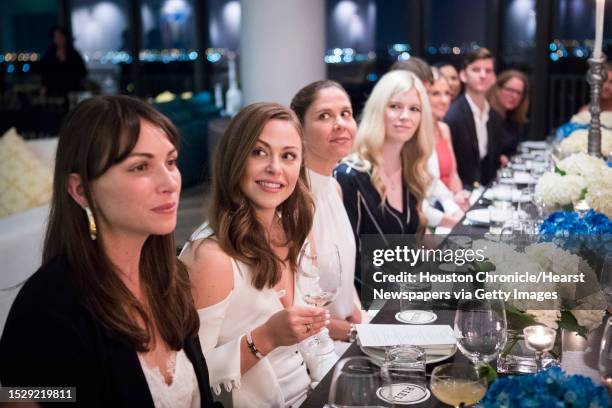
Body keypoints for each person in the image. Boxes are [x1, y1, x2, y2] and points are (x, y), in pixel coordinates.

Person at [0, 96, 215, 407]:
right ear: (81, 190)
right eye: (140, 167)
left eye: (170, 162)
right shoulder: (48, 307)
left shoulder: (171, 276)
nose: (170, 182)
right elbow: (19, 395)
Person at [179, 103, 328, 407]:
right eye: (259, 152)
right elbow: (188, 381)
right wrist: (266, 337)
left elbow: (315, 340)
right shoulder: (210, 257)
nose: (275, 167)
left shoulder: (298, 233)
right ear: (234, 159)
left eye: (288, 156)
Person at [335, 70, 432, 292]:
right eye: (395, 106)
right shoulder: (348, 177)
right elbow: (348, 267)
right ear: (379, 110)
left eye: (414, 109)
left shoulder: (412, 171)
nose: (405, 116)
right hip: (371, 308)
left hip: (409, 299)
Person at [290, 80, 363, 347]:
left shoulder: (334, 187)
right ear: (300, 130)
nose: (340, 123)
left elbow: (343, 276)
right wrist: (353, 333)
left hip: (348, 331)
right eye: (324, 116)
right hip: (315, 346)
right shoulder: (295, 202)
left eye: (346, 113)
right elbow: (294, 305)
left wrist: (356, 313)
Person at [391, 58, 465, 227]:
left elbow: (430, 181)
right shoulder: (397, 138)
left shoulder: (419, 133)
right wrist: (450, 221)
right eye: (433, 94)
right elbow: (410, 203)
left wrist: (453, 209)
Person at [444, 47, 503, 187]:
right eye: (476, 70)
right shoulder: (452, 116)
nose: (483, 75)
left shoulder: (494, 117)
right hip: (459, 194)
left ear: (494, 77)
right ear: (463, 76)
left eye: (488, 71)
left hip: (486, 191)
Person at [429, 67, 470, 210]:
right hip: (435, 210)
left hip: (451, 206)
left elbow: (453, 175)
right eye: (435, 94)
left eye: (447, 93)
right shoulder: (415, 135)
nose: (444, 100)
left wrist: (460, 196)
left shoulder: (444, 129)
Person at [488, 69, 530, 165]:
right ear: (497, 89)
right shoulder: (486, 117)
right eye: (510, 90)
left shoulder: (513, 119)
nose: (514, 96)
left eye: (519, 93)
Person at [39, 26, 87, 99]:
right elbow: (45, 72)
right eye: (55, 37)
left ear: (65, 37)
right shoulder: (49, 54)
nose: (58, 39)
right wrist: (44, 87)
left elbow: (82, 71)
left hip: (73, 90)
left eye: (60, 36)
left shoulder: (74, 54)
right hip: (54, 91)